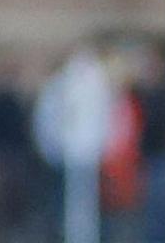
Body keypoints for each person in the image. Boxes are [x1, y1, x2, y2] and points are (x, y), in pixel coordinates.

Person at [36, 42, 116, 243]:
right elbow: (50, 116)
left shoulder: (99, 85)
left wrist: (105, 146)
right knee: (68, 207)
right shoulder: (61, 85)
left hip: (88, 152)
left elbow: (107, 117)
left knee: (90, 207)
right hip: (69, 153)